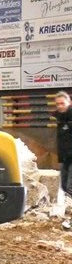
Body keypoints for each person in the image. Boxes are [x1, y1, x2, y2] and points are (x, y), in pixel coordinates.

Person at [52, 91, 72, 229]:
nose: (60, 106)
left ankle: (70, 220)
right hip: (65, 158)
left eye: (62, 103)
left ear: (69, 103)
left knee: (71, 187)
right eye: (57, 104)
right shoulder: (59, 118)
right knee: (64, 187)